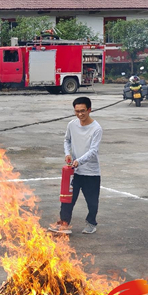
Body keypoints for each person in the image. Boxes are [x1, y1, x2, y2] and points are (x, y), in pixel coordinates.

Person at [49, 97, 103, 235]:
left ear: (89, 110)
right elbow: (66, 140)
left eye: (83, 111)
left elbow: (93, 151)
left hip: (91, 172)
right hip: (74, 171)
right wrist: (68, 153)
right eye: (77, 111)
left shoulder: (96, 128)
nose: (80, 114)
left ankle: (91, 223)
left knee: (92, 201)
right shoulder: (72, 125)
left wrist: (79, 160)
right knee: (68, 198)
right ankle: (64, 223)